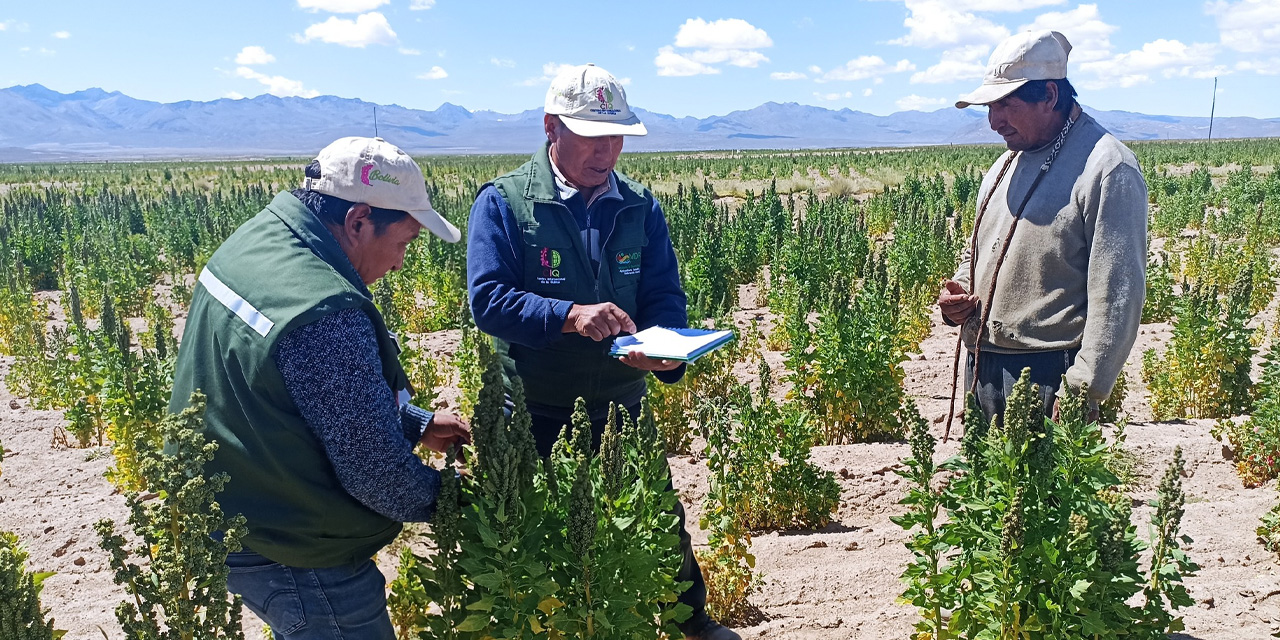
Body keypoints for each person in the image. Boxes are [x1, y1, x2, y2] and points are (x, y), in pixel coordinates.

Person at [466, 64, 739, 640]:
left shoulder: (640, 206)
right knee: (529, 528)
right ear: (550, 128)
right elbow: (487, 301)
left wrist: (665, 353)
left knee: (659, 518)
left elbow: (663, 295)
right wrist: (566, 316)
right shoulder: (504, 204)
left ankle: (693, 624)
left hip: (620, 400)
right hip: (534, 406)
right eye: (592, 136)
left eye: (616, 137)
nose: (607, 152)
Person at [168, 136, 470, 640]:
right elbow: (377, 474)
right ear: (357, 221)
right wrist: (470, 502)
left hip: (233, 501)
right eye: (404, 242)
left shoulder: (261, 238)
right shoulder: (323, 311)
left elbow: (298, 389)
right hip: (291, 541)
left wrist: (412, 422)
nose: (399, 264)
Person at [938, 30, 1148, 426]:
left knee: (1044, 489)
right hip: (983, 364)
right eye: (989, 106)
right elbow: (979, 253)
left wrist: (1083, 388)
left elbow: (1118, 296)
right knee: (985, 486)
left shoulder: (1107, 167)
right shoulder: (1004, 165)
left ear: (1049, 95)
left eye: (1004, 104)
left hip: (1052, 376)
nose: (993, 121)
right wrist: (960, 295)